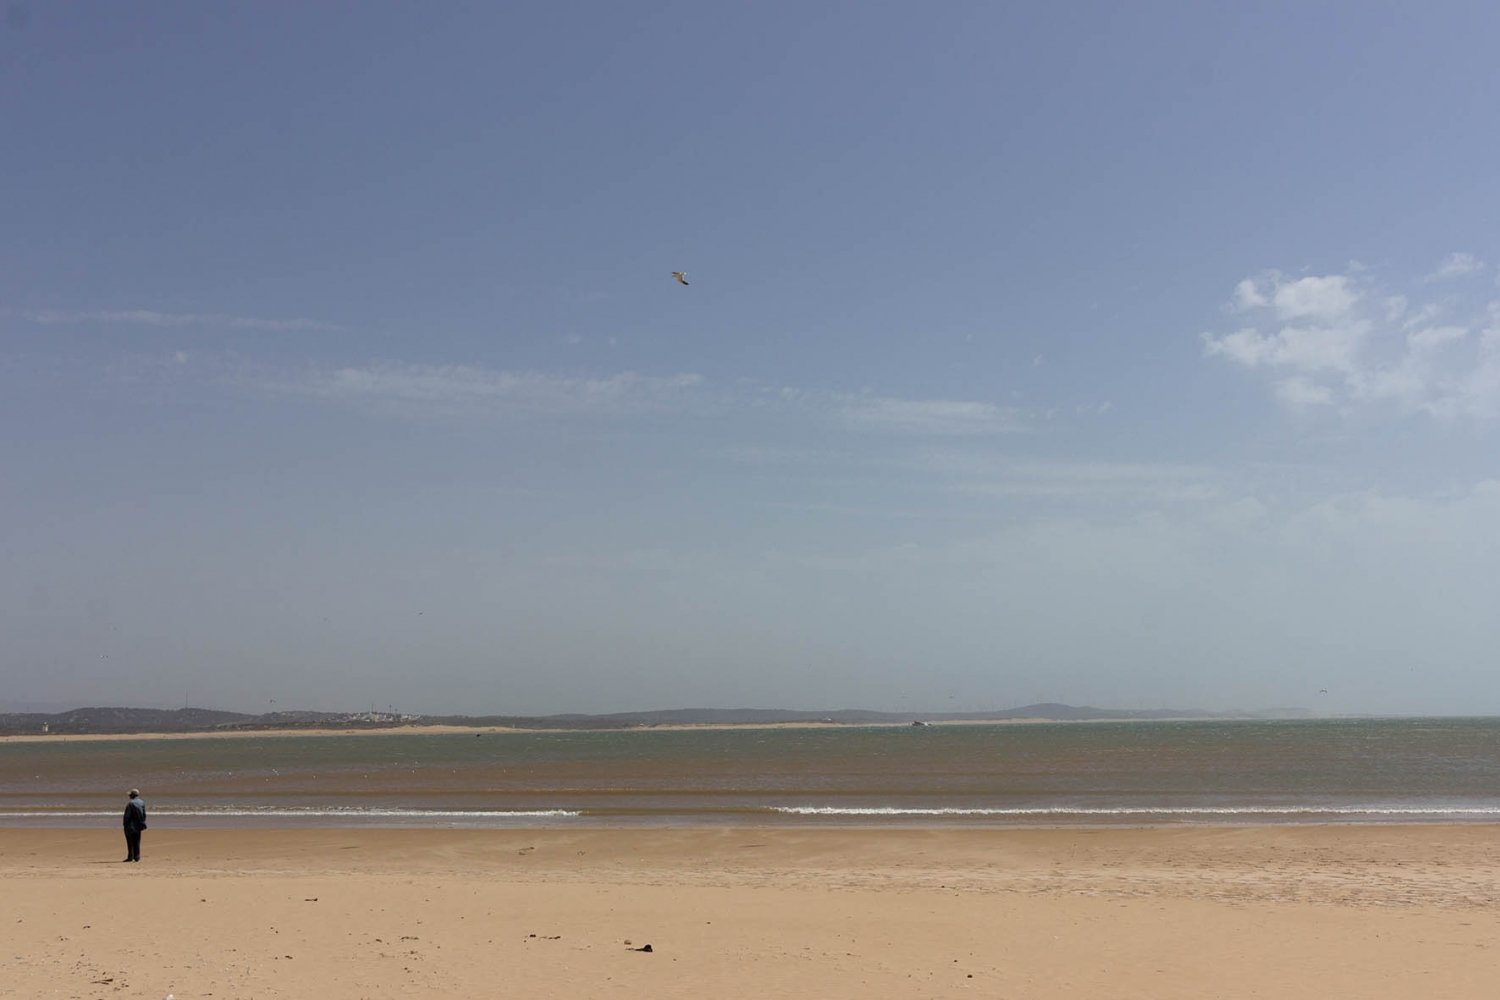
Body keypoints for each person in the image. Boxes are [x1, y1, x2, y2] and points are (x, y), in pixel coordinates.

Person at [122, 789, 147, 862]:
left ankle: (130, 857)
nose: (129, 796)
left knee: (130, 841)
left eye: (130, 794)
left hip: (130, 825)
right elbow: (144, 814)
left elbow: (127, 816)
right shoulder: (142, 802)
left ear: (132, 795)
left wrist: (124, 824)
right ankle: (137, 857)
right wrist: (142, 822)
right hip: (139, 825)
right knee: (137, 840)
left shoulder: (130, 804)